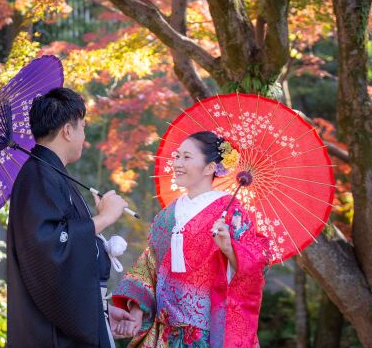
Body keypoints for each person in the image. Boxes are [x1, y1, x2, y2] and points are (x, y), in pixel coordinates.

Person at [111, 131, 270, 347]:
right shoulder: (167, 215)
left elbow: (259, 264)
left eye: (186, 157)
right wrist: (137, 310)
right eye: (177, 156)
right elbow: (148, 268)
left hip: (207, 333)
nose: (177, 163)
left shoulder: (232, 213)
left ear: (210, 168)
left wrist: (229, 250)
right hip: (165, 334)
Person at [6, 87, 130, 347]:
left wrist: (99, 310)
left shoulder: (49, 174)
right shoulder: (38, 176)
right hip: (52, 333)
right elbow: (50, 246)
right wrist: (105, 218)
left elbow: (69, 239)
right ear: (68, 130)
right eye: (82, 127)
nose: (84, 136)